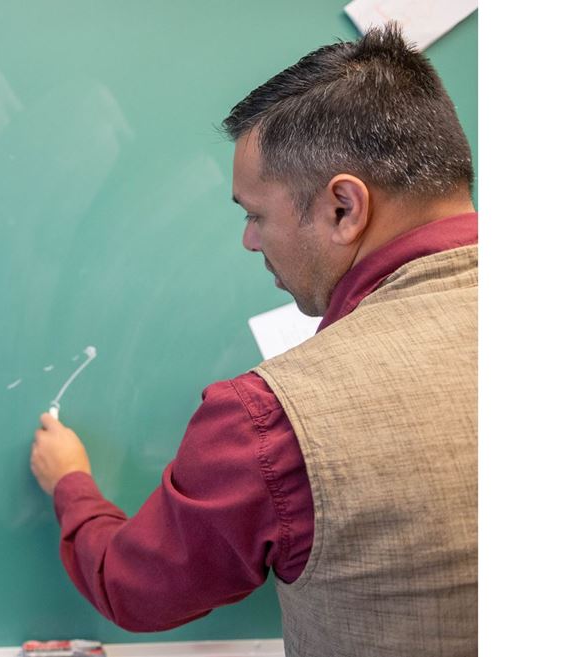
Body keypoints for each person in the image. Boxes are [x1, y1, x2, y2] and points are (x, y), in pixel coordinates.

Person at [29, 24, 476, 657]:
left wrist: (70, 482)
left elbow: (131, 585)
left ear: (344, 208)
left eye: (255, 214)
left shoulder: (273, 421)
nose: (249, 241)